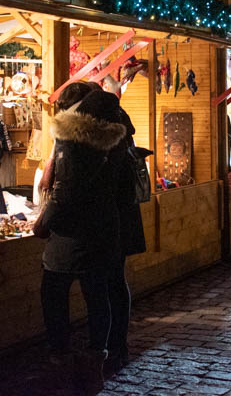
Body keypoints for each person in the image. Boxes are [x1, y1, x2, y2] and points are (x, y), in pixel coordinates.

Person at [34, 89, 127, 390]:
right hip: (103, 230)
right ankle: (93, 365)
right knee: (98, 296)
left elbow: (65, 192)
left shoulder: (73, 138)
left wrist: (43, 223)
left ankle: (60, 360)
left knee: (54, 295)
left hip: (69, 236)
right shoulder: (116, 139)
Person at [104, 103, 147, 373]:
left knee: (110, 286)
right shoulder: (124, 138)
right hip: (123, 221)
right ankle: (116, 345)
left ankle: (111, 347)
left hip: (112, 223)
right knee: (116, 283)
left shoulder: (110, 146)